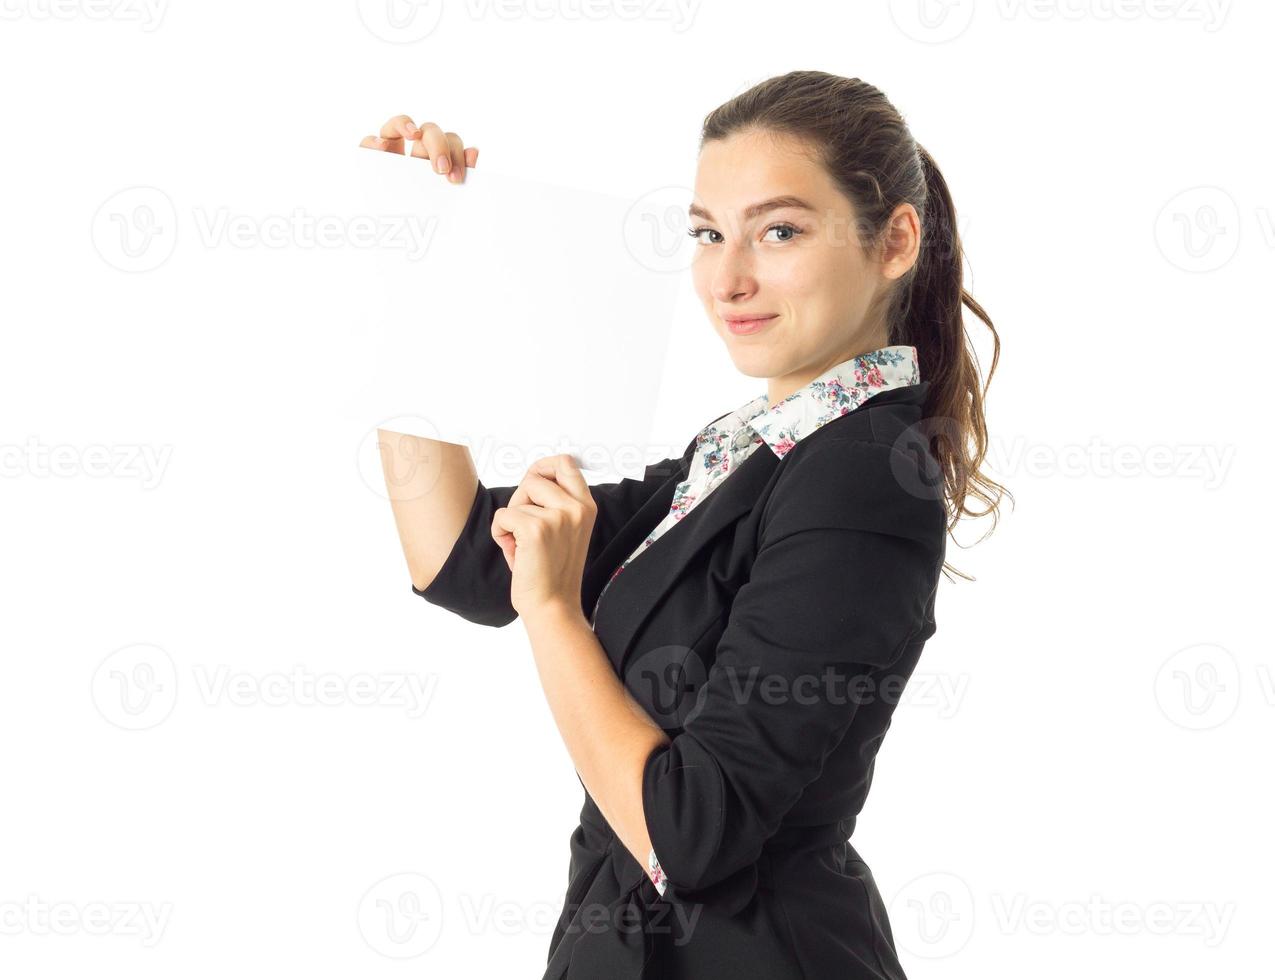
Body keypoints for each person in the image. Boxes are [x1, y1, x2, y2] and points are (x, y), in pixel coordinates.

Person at [367, 69, 1007, 980]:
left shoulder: (863, 480)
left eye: (779, 231)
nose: (728, 278)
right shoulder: (753, 450)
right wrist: (414, 264)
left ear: (895, 241)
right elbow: (470, 561)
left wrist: (555, 615)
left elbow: (693, 836)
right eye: (708, 233)